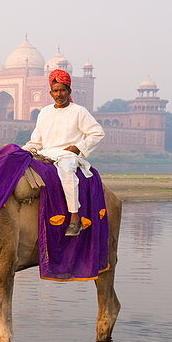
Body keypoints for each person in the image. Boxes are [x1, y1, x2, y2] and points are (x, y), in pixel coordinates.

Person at [23, 69, 105, 237]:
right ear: (50, 93)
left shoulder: (78, 111)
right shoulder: (45, 112)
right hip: (46, 154)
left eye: (62, 90)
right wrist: (21, 151)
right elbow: (36, 141)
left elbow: (97, 133)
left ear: (69, 91)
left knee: (67, 172)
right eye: (55, 90)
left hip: (67, 155)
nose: (59, 94)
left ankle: (74, 217)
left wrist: (78, 147)